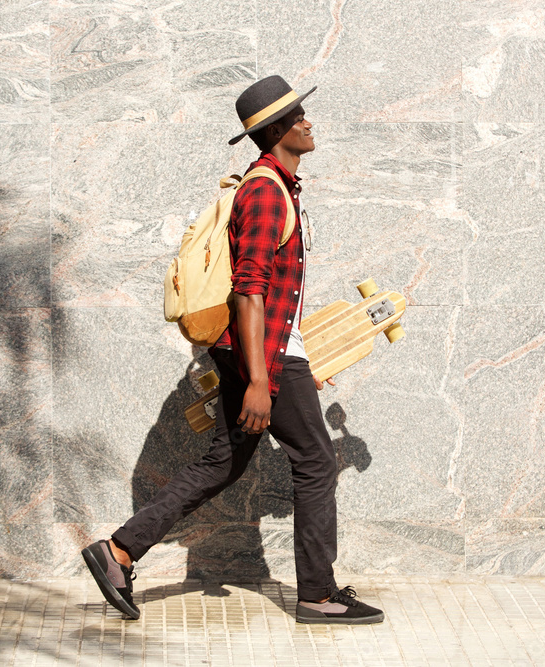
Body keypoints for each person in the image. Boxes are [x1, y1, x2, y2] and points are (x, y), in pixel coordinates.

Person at [81, 75, 385, 625]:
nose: (308, 122)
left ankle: (119, 551)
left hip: (268, 351)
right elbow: (249, 291)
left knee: (225, 460)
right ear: (275, 131)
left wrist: (296, 361)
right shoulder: (265, 191)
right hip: (261, 356)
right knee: (316, 461)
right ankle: (318, 595)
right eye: (297, 117)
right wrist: (263, 380)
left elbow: (273, 296)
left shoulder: (278, 187)